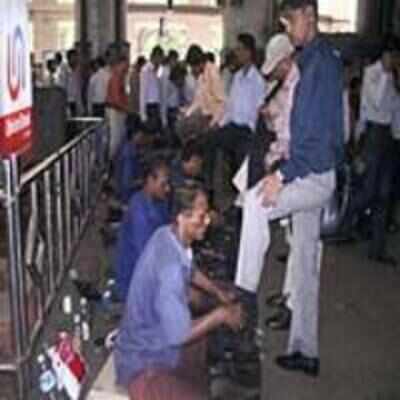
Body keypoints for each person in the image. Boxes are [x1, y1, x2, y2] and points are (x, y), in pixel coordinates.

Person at [235, 0, 343, 376]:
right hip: (312, 169)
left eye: (289, 20)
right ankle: (306, 351)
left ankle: (242, 304)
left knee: (255, 203)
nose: (286, 26)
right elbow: (303, 132)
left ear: (308, 16)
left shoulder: (319, 65)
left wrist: (281, 175)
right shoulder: (315, 60)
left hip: (313, 175)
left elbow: (314, 138)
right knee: (306, 265)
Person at [114, 182, 243, 400]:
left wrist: (217, 292)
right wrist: (221, 315)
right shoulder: (170, 270)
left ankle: (199, 380)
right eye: (201, 217)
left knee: (201, 335)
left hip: (153, 343)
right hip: (142, 366)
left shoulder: (167, 234)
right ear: (182, 217)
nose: (208, 221)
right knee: (202, 328)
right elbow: (178, 334)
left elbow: (190, 269)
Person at [204, 33, 266, 186]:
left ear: (248, 52)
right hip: (233, 126)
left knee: (242, 153)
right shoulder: (237, 77)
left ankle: (241, 197)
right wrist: (219, 123)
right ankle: (209, 186)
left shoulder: (257, 81)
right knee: (210, 139)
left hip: (248, 130)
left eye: (239, 49)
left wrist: (254, 135)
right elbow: (230, 107)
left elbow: (259, 112)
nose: (236, 53)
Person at [115, 157, 171, 302]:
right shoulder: (139, 210)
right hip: (135, 282)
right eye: (163, 184)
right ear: (150, 181)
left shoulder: (158, 202)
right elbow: (146, 256)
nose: (167, 189)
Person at [106, 56, 130, 161]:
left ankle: (117, 161)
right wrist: (126, 109)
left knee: (120, 137)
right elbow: (116, 99)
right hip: (115, 110)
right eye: (125, 65)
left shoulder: (121, 78)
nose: (126, 68)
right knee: (115, 139)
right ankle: (111, 163)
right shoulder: (115, 78)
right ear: (118, 65)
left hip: (120, 111)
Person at [140, 46, 165, 134]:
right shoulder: (145, 70)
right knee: (149, 133)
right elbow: (143, 92)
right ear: (155, 57)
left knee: (154, 133)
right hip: (149, 106)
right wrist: (143, 114)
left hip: (156, 105)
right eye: (160, 59)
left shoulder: (157, 71)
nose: (161, 62)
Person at [58, 49, 83, 117]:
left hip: (76, 101)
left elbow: (78, 88)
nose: (76, 59)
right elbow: (62, 87)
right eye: (74, 57)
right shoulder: (64, 70)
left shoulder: (78, 70)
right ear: (69, 58)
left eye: (77, 57)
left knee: (76, 122)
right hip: (67, 101)